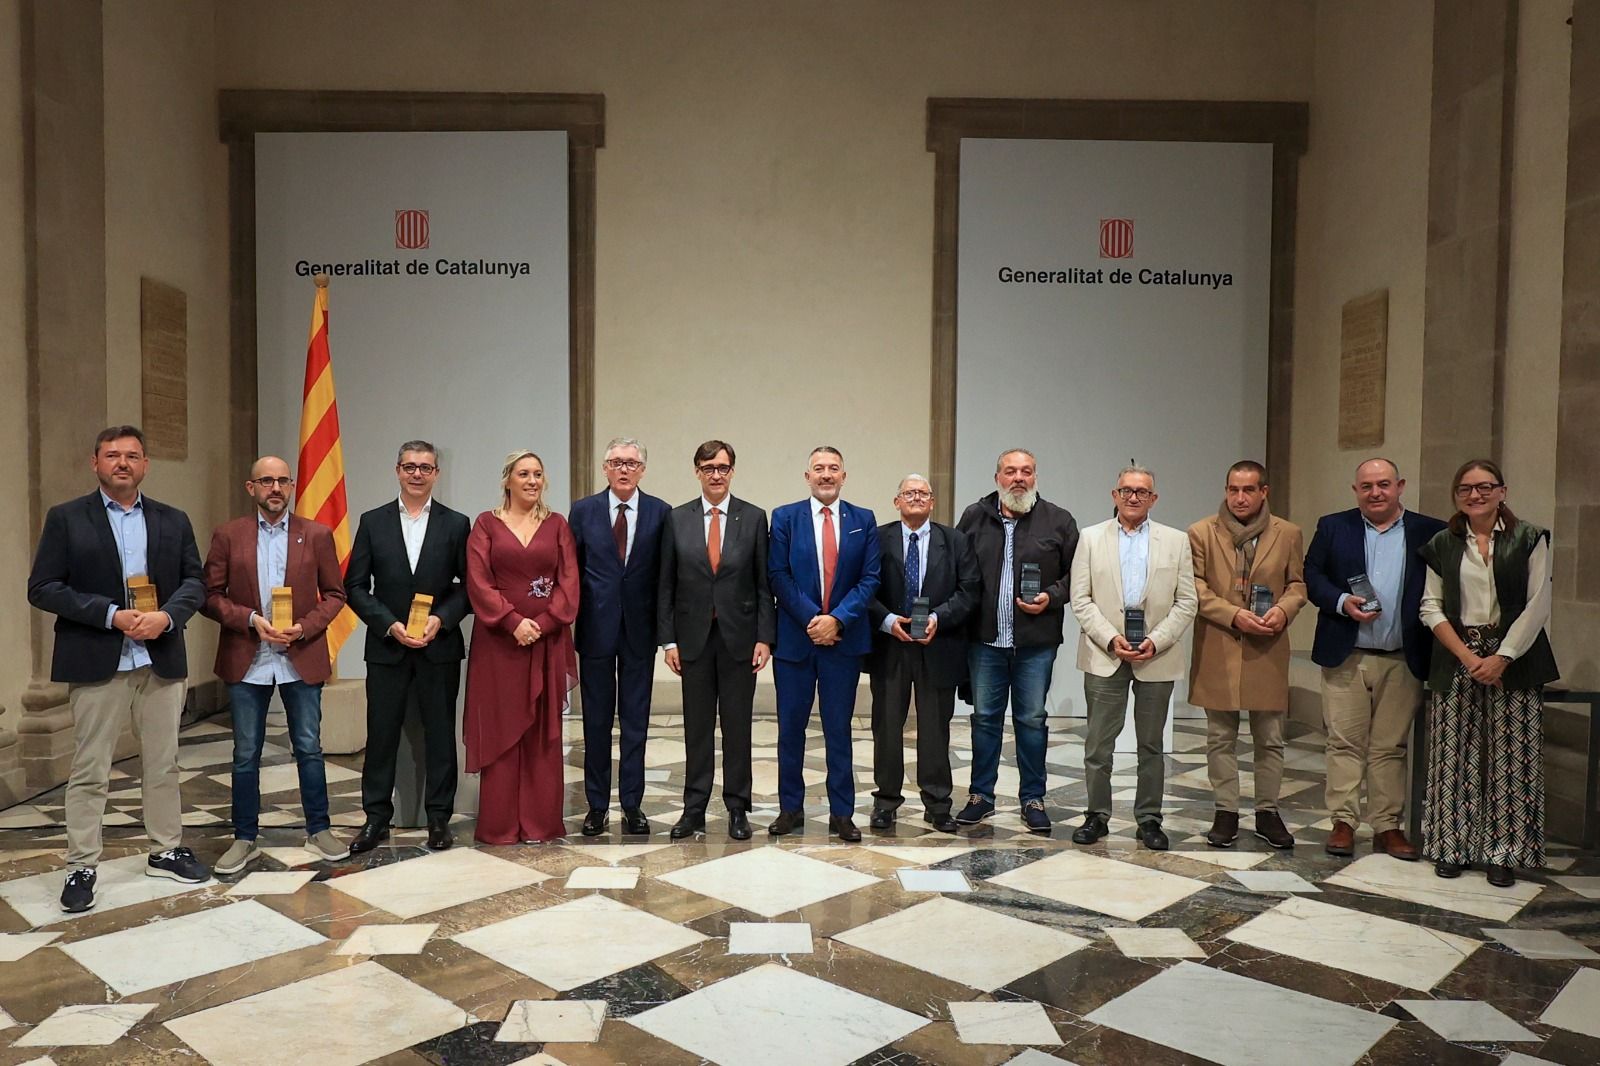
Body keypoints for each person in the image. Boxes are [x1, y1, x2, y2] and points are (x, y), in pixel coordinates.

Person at [27, 425, 209, 913]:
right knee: (90, 769)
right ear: (96, 463)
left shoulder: (173, 519)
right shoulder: (67, 519)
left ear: (146, 464)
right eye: (112, 455)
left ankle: (165, 849)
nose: (122, 463)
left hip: (160, 656)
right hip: (96, 656)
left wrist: (167, 616)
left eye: (132, 456)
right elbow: (43, 587)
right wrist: (111, 614)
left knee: (163, 763)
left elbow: (196, 581)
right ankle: (81, 864)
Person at [202, 456, 351, 873]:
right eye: (266, 480)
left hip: (298, 656)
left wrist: (303, 628)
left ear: (291, 486)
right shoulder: (228, 535)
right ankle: (244, 837)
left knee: (309, 747)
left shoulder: (316, 534)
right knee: (245, 752)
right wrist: (250, 620)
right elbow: (209, 595)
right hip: (247, 656)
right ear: (251, 487)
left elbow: (335, 594)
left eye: (282, 480)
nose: (275, 488)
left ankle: (319, 829)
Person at [1418, 459, 1557, 888]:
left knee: (1510, 756)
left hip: (1514, 659)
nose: (1474, 495)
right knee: (1451, 754)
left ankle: (1504, 851)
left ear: (1502, 491)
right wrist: (1467, 656)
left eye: (1484, 487)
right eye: (1465, 489)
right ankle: (1450, 845)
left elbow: (1539, 602)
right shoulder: (1443, 542)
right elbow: (1430, 605)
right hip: (1458, 655)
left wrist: (1504, 656)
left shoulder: (1528, 538)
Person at [1304, 458, 1446, 861]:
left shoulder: (1428, 531)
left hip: (1403, 656)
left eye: (1383, 484)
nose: (1375, 492)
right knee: (1344, 743)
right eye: (1366, 486)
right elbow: (1311, 575)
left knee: (1390, 746)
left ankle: (1387, 826)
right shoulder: (1335, 526)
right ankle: (1344, 822)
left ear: (1400, 486)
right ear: (1356, 490)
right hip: (1346, 654)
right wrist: (1339, 600)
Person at [345, 440, 472, 854]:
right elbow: (356, 587)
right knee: (381, 736)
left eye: (426, 468)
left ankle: (439, 819)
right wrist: (389, 625)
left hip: (439, 647)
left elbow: (468, 588)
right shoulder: (372, 521)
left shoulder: (456, 524)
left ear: (437, 474)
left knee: (439, 734)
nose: (417, 474)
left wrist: (441, 619)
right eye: (409, 467)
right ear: (397, 471)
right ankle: (376, 819)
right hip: (388, 648)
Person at [1068, 464, 1197, 850]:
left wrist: (1156, 641)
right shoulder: (1090, 538)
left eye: (1142, 491)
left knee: (1151, 746)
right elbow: (1081, 598)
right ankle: (1096, 815)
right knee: (1098, 745)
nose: (1134, 497)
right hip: (1105, 654)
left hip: (1156, 657)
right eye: (1126, 490)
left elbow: (1187, 601)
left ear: (1154, 498)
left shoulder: (1176, 541)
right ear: (1115, 495)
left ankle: (1149, 819)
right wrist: (1110, 639)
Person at [955, 448, 1078, 834]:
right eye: (1011, 471)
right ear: (997, 478)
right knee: (985, 720)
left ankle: (1033, 798)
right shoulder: (975, 517)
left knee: (1031, 719)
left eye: (1026, 471)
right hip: (985, 642)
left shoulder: (1058, 520)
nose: (1018, 478)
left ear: (1036, 477)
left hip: (1035, 643)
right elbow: (958, 570)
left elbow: (1079, 576)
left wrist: (1052, 597)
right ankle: (981, 796)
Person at [657, 440, 775, 841]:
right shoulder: (677, 519)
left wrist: (765, 638)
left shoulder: (754, 517)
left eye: (723, 467)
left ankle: (738, 808)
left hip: (740, 640)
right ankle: (693, 809)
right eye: (708, 467)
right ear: (697, 472)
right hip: (693, 641)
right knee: (697, 727)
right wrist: (668, 642)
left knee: (738, 727)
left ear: (732, 471)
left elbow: (764, 585)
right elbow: (665, 586)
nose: (716, 474)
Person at [1188, 460, 1307, 849]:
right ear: (1226, 491)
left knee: (1270, 737)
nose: (1240, 498)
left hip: (1267, 644)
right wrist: (1235, 614)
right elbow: (1196, 588)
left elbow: (1297, 585)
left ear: (1263, 492)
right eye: (1233, 490)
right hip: (1219, 642)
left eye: (1248, 490)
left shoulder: (1286, 532)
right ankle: (1226, 811)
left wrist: (1283, 610)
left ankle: (1268, 812)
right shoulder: (1202, 532)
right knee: (1220, 736)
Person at [463, 450, 579, 845]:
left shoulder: (558, 525)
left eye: (538, 474)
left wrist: (543, 625)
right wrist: (513, 622)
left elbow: (569, 583)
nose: (531, 480)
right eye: (523, 474)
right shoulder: (485, 524)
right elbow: (478, 582)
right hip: (500, 644)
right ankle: (500, 825)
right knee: (501, 726)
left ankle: (540, 822)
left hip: (546, 644)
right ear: (507, 480)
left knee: (542, 732)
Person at [768, 446, 881, 841]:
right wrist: (813, 619)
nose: (826, 474)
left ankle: (842, 812)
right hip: (796, 642)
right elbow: (778, 574)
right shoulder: (784, 518)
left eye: (834, 468)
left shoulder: (863, 520)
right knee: (790, 730)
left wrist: (837, 620)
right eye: (819, 468)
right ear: (807, 476)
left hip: (843, 643)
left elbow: (870, 579)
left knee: (839, 729)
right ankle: (790, 808)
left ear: (844, 476)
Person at [866, 475, 980, 833]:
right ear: (896, 501)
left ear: (932, 502)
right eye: (909, 493)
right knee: (886, 726)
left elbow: (970, 590)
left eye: (923, 493)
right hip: (890, 646)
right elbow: (862, 587)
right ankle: (886, 801)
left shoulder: (956, 540)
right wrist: (886, 620)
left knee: (934, 728)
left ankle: (937, 803)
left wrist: (936, 619)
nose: (916, 498)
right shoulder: (877, 538)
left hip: (938, 645)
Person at [567, 437, 669, 836]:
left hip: (640, 633)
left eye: (631, 463)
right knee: (594, 721)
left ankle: (632, 803)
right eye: (616, 462)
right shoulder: (583, 511)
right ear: (604, 468)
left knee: (635, 723)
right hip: (595, 629)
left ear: (642, 469)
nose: (624, 469)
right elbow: (572, 572)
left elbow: (665, 578)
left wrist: (666, 634)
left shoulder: (661, 512)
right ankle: (596, 806)